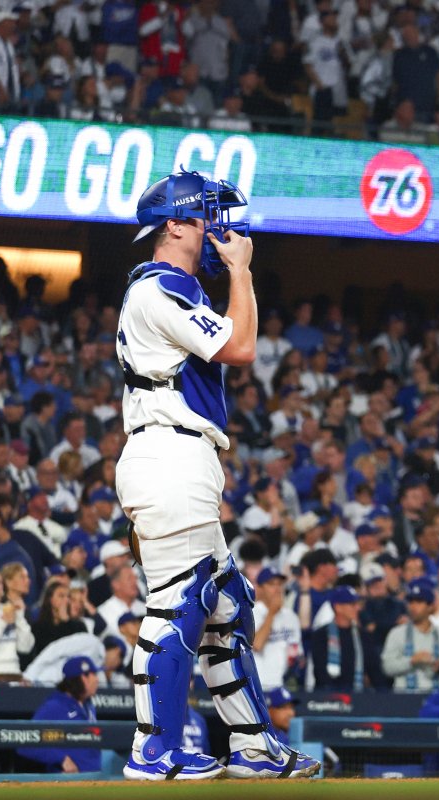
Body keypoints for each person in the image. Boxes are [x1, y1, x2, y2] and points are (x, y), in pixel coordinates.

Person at [115, 169, 318, 779]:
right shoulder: (160, 285)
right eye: (203, 218)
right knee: (181, 601)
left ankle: (253, 745)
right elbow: (241, 348)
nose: (215, 229)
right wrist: (242, 272)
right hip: (167, 453)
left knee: (226, 605)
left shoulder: (177, 285)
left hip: (182, 455)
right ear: (172, 224)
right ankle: (153, 749)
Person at [17, 656, 101, 774]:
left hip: (95, 778)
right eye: (94, 675)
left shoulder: (88, 706)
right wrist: (61, 759)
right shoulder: (55, 706)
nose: (97, 680)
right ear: (83, 678)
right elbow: (25, 742)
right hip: (67, 783)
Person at [381, 578, 439, 692]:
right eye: (411, 602)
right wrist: (412, 660)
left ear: (430, 606)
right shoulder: (397, 633)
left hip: (435, 698)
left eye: (419, 602)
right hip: (404, 699)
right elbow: (387, 668)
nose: (413, 607)